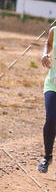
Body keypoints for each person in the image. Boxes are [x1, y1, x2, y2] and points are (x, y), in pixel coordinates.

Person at [38, 24, 56, 174]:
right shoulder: (54, 30)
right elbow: (48, 43)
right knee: (51, 119)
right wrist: (45, 53)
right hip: (52, 84)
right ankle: (47, 156)